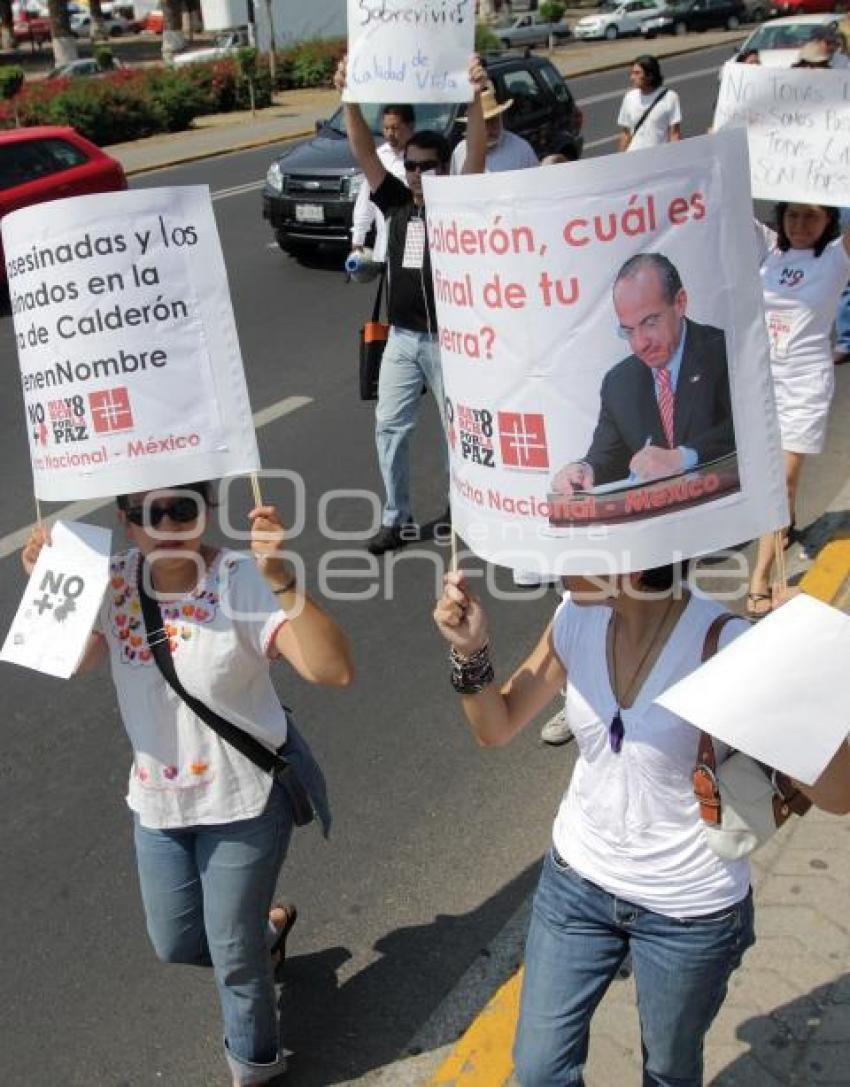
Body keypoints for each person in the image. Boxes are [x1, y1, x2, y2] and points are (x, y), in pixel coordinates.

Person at [433, 562, 850, 1087]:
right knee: (538, 1071)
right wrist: (470, 652)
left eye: (575, 546)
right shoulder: (574, 618)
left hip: (688, 912)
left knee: (669, 1073)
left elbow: (838, 795)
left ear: (629, 556)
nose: (553, 561)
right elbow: (496, 726)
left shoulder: (729, 644)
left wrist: (795, 668)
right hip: (575, 883)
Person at [22, 484, 354, 1086]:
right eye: (151, 513)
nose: (169, 523)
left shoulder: (241, 579)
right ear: (127, 524)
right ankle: (266, 932)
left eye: (184, 508)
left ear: (208, 511)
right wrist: (48, 588)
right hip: (158, 802)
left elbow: (332, 670)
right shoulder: (112, 580)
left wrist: (281, 578)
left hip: (244, 799)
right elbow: (72, 659)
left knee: (233, 957)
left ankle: (254, 1066)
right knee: (176, 942)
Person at [334, 54, 489, 555]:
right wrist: (349, 98)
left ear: (445, 168)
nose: (418, 173)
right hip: (402, 339)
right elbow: (363, 154)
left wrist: (474, 96)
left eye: (428, 166)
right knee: (389, 427)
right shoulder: (396, 201)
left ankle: (462, 508)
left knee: (455, 434)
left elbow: (479, 152)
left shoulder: (458, 203)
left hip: (449, 342)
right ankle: (396, 516)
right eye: (413, 166)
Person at [552, 253, 734, 496]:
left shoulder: (725, 352)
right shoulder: (618, 383)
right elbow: (607, 456)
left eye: (650, 323)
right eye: (627, 331)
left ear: (680, 303)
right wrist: (584, 469)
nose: (639, 344)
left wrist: (682, 458)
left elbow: (745, 429)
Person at [747, 205, 850, 618]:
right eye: (793, 217)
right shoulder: (769, 250)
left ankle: (760, 577)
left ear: (829, 221)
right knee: (772, 484)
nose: (801, 225)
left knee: (783, 480)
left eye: (812, 217)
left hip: (805, 384)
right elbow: (726, 199)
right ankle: (783, 526)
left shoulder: (835, 258)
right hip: (762, 382)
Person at [350, 104, 415, 261]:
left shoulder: (420, 156)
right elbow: (366, 198)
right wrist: (358, 239)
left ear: (410, 126)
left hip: (413, 245)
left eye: (395, 128)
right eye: (386, 128)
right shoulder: (379, 157)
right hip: (385, 246)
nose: (390, 134)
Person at [450, 87, 540, 174]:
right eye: (483, 123)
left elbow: (537, 184)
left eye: (493, 120)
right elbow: (455, 187)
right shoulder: (460, 152)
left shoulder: (521, 149)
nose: (488, 129)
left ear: (500, 118)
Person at [618, 55, 681, 153]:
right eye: (632, 73)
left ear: (650, 75)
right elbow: (626, 133)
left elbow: (674, 134)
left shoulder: (670, 97)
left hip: (657, 158)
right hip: (633, 158)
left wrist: (674, 158)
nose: (632, 77)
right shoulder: (629, 97)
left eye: (637, 73)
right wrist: (620, 160)